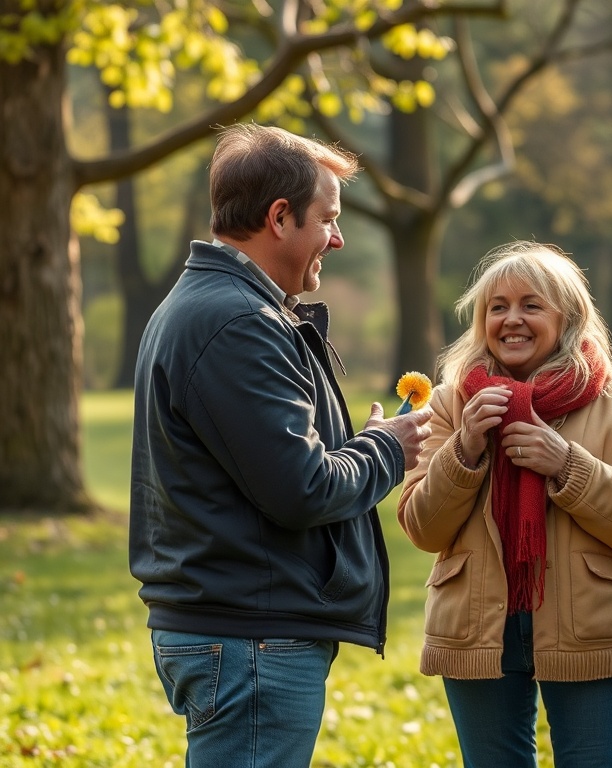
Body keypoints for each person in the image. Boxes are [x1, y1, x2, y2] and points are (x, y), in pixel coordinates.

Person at [129, 123, 432, 768]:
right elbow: (304, 487)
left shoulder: (219, 309)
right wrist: (387, 447)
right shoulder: (236, 322)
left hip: (242, 632)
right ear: (279, 217)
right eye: (327, 218)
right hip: (251, 640)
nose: (338, 237)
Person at [397, 241, 612, 768]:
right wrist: (465, 449)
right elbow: (423, 528)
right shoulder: (452, 403)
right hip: (478, 629)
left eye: (530, 305)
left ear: (567, 317)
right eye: (496, 307)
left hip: (593, 629)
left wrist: (567, 464)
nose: (511, 320)